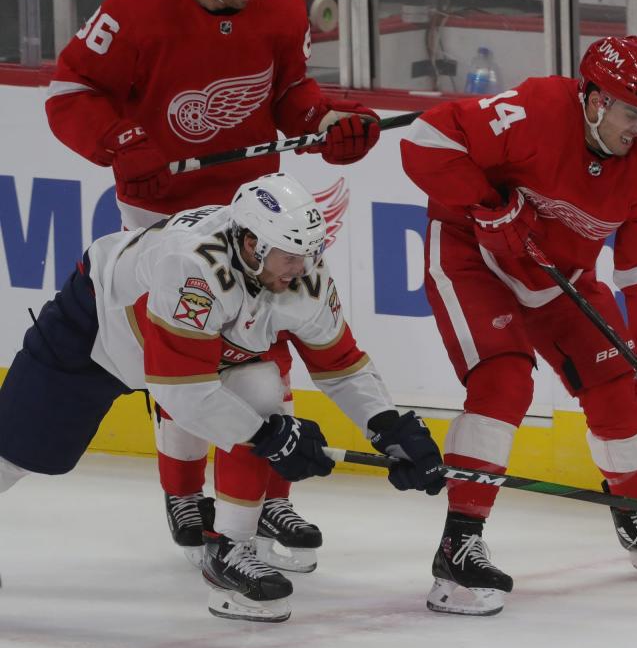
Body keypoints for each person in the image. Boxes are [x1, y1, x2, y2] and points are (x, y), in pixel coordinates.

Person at [44, 0, 382, 571]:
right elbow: (69, 91)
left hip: (258, 212)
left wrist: (325, 124)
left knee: (269, 355)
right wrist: (118, 142)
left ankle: (270, 497)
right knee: (191, 360)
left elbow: (290, 94)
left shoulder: (283, 6)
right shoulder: (135, 10)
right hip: (164, 214)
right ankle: (182, 493)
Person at [0, 172, 446, 622]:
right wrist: (269, 437)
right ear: (251, 244)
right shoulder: (192, 265)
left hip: (192, 354)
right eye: (292, 257)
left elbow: (340, 363)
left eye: (311, 254)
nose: (303, 270)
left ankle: (229, 549)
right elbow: (181, 392)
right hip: (96, 332)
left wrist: (388, 427)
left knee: (260, 390)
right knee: (17, 454)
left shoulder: (298, 271)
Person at [398, 35, 637, 617]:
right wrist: (488, 201)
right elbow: (426, 139)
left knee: (620, 385)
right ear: (592, 101)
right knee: (505, 380)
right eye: (632, 113)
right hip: (472, 254)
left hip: (557, 271)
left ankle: (636, 521)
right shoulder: (534, 109)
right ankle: (458, 546)